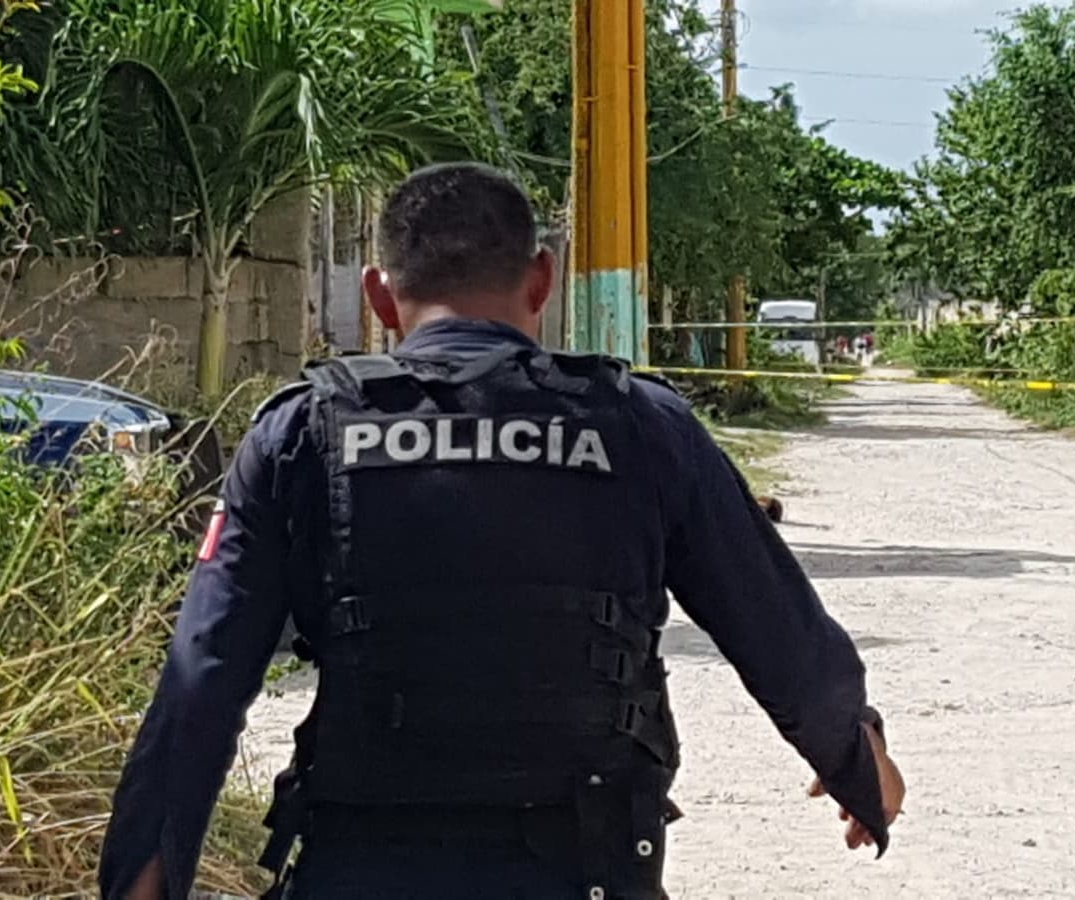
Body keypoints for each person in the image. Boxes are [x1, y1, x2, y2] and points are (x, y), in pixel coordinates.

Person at [99, 163, 905, 900]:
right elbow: (772, 620)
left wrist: (141, 877)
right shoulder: (642, 427)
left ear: (381, 299)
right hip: (586, 870)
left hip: (357, 871)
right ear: (543, 281)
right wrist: (854, 759)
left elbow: (202, 678)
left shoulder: (301, 434)